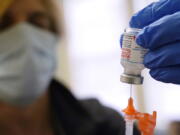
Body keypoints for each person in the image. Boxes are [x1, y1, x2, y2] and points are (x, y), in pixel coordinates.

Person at [0, 0, 140, 135]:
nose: (25, 37)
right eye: (3, 25)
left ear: (54, 35)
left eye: (37, 23)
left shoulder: (107, 126)